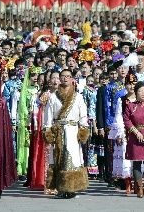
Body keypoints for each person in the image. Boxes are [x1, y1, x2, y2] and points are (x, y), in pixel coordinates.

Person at [43, 69, 89, 199]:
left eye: (68, 76)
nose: (65, 79)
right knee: (59, 159)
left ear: (72, 79)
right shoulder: (53, 97)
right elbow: (48, 117)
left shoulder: (78, 97)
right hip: (59, 131)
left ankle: (73, 187)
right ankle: (61, 188)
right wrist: (48, 131)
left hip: (73, 131)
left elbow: (83, 116)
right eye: (62, 76)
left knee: (73, 159)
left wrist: (83, 130)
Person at [108, 70, 135, 194]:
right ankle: (127, 184)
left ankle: (138, 183)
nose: (131, 86)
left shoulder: (142, 98)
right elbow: (118, 116)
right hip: (125, 132)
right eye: (129, 83)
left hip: (139, 131)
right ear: (125, 85)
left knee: (138, 159)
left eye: (134, 83)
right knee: (126, 158)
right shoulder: (122, 100)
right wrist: (119, 133)